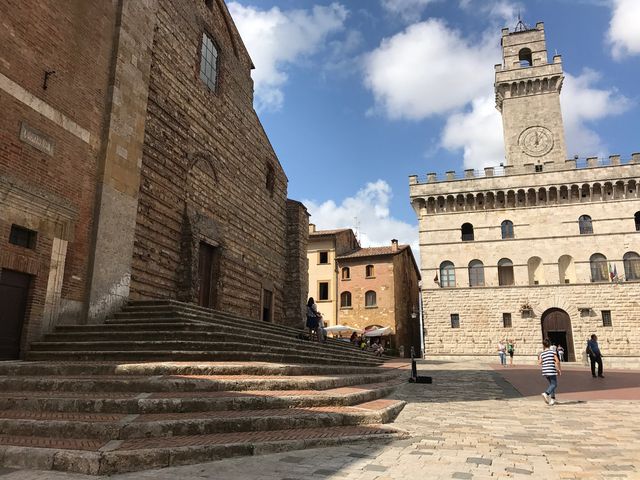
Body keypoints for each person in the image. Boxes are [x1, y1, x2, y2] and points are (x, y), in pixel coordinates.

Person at [538, 338, 561, 406]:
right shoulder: (552, 352)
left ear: (543, 345)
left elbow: (539, 362)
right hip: (551, 370)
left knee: (552, 384)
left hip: (545, 371)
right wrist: (559, 369)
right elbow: (557, 361)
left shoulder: (542, 353)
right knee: (554, 384)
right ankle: (546, 393)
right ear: (550, 344)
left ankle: (552, 399)